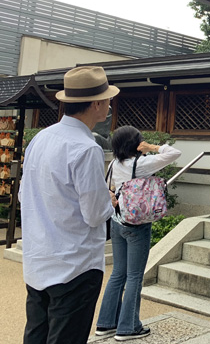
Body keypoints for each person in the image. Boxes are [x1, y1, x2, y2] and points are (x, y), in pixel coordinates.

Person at [20, 66, 120, 344]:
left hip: (39, 258)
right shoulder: (86, 148)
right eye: (107, 100)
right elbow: (95, 213)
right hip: (75, 265)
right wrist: (109, 201)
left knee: (36, 334)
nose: (109, 105)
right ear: (98, 104)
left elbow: (24, 195)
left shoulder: (40, 138)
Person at [95, 126, 181, 341]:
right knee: (134, 276)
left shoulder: (115, 163)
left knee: (117, 274)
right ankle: (128, 327)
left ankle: (106, 323)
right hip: (137, 225)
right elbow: (173, 154)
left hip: (118, 221)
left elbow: (108, 186)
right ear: (136, 143)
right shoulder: (141, 164)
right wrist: (152, 147)